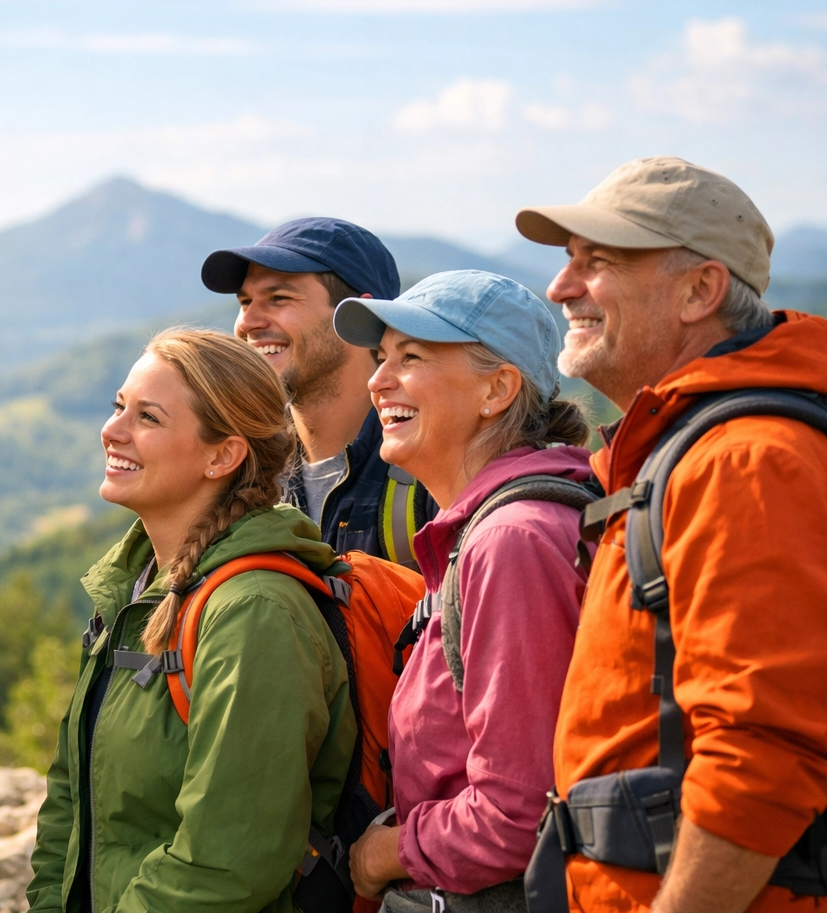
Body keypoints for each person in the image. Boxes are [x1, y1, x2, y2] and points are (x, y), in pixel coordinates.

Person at [515, 156, 827, 913]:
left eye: (599, 262)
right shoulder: (686, 451)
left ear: (700, 291)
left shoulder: (747, 461)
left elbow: (762, 752)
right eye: (567, 262)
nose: (560, 287)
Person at [28, 328, 356, 913]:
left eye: (148, 417)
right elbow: (70, 803)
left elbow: (228, 862)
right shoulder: (134, 590)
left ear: (222, 455)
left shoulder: (255, 613)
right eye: (119, 407)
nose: (113, 430)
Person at [334, 271, 595, 911]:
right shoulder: (493, 531)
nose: (378, 380)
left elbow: (516, 813)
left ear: (497, 389)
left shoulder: (513, 542)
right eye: (381, 357)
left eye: (412, 357)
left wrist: (383, 856)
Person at [202, 218, 438, 565]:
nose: (247, 322)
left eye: (278, 298)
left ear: (362, 317)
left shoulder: (433, 474)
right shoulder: (242, 471)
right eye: (245, 302)